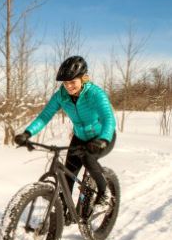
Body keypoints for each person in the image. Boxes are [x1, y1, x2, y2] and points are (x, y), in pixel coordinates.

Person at [14, 55, 117, 219]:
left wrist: (103, 139)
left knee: (89, 160)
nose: (69, 86)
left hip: (102, 137)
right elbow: (44, 116)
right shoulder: (61, 96)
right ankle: (64, 214)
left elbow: (108, 118)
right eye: (65, 83)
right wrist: (27, 133)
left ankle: (105, 195)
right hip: (80, 138)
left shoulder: (96, 94)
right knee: (68, 174)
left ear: (83, 78)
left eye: (72, 82)